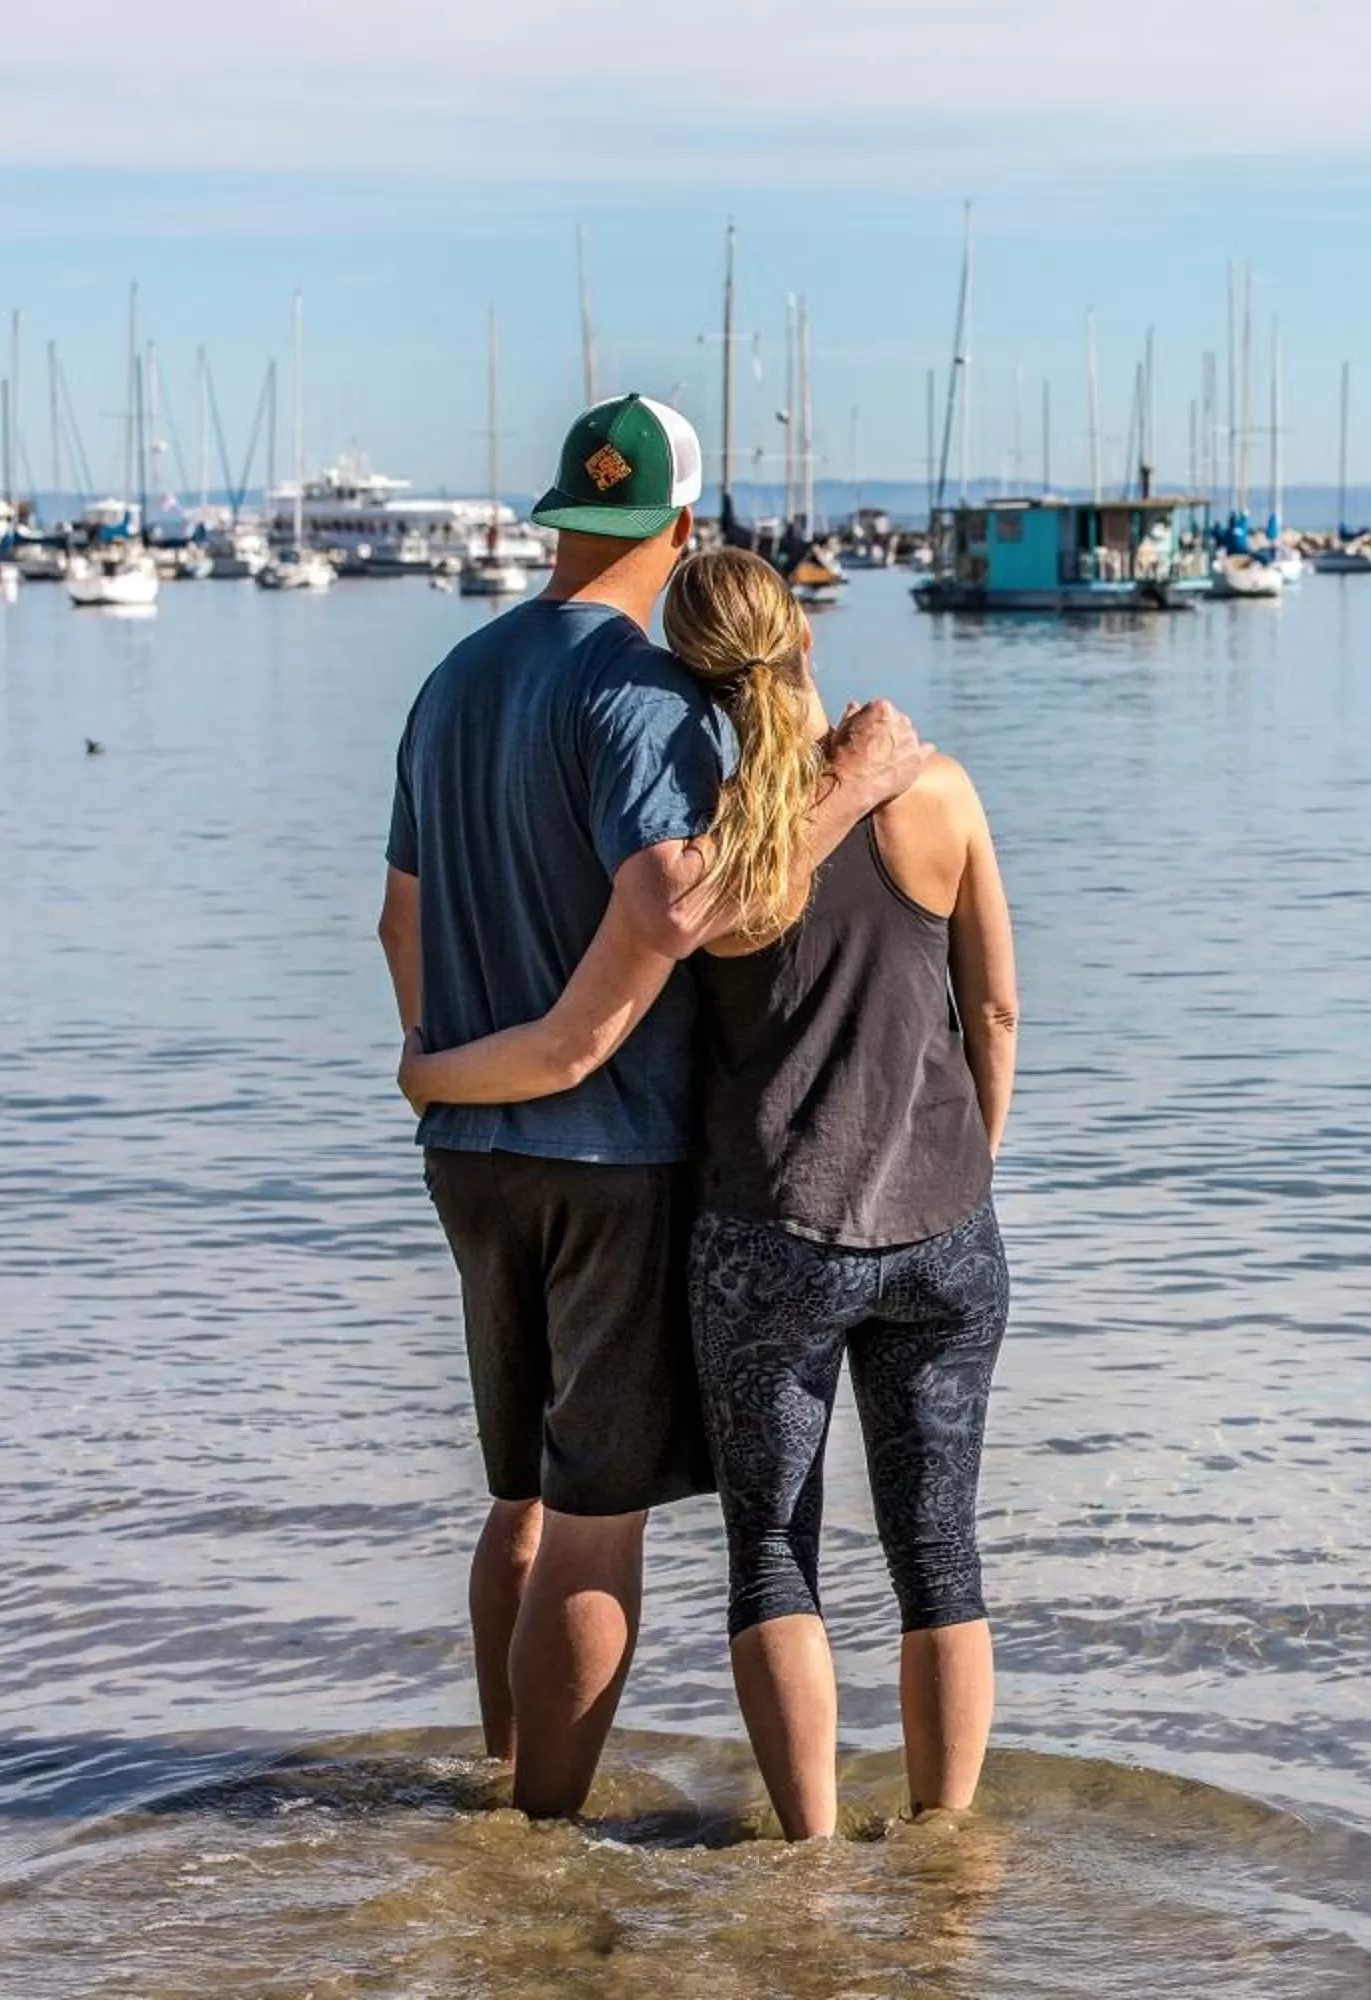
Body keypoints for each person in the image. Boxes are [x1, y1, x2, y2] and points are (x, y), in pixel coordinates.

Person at [401, 547, 1018, 1841]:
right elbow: (997, 1008)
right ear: (801, 637)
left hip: (772, 1231)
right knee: (940, 1550)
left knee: (776, 1555)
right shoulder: (941, 789)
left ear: (692, 672)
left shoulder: (726, 846)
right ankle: (946, 1848)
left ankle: (808, 1853)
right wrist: (969, 1176)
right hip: (945, 1224)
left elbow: (672, 991)